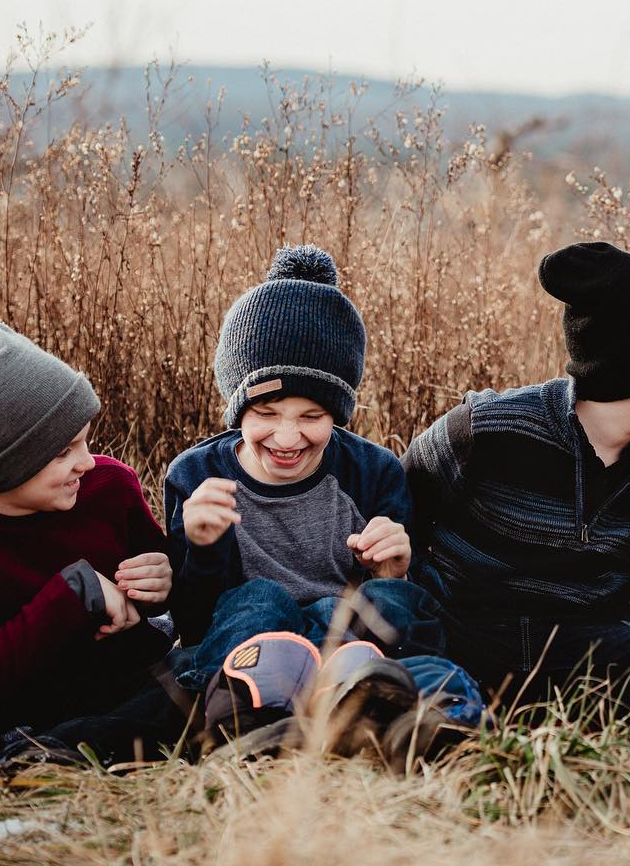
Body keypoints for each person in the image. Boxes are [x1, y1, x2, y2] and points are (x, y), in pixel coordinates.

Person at [164, 245, 482, 753]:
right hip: (250, 645)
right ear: (236, 407)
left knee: (392, 600)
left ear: (338, 413)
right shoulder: (195, 476)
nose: (287, 438)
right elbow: (195, 623)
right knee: (258, 598)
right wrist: (203, 548)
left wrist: (395, 569)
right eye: (266, 412)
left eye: (311, 417)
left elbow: (399, 603)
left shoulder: (372, 471)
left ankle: (413, 710)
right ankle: (248, 716)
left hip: (346, 645)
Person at [402, 241, 630, 699]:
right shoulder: (489, 430)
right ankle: (446, 710)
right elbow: (398, 501)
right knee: (398, 617)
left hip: (587, 655)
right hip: (473, 638)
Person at [0, 321, 183, 772]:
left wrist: (164, 579)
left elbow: (174, 596)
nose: (86, 461)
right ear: (6, 466)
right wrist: (76, 591)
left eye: (85, 440)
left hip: (121, 682)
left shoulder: (111, 486)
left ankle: (48, 752)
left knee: (192, 675)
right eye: (63, 452)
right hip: (16, 699)